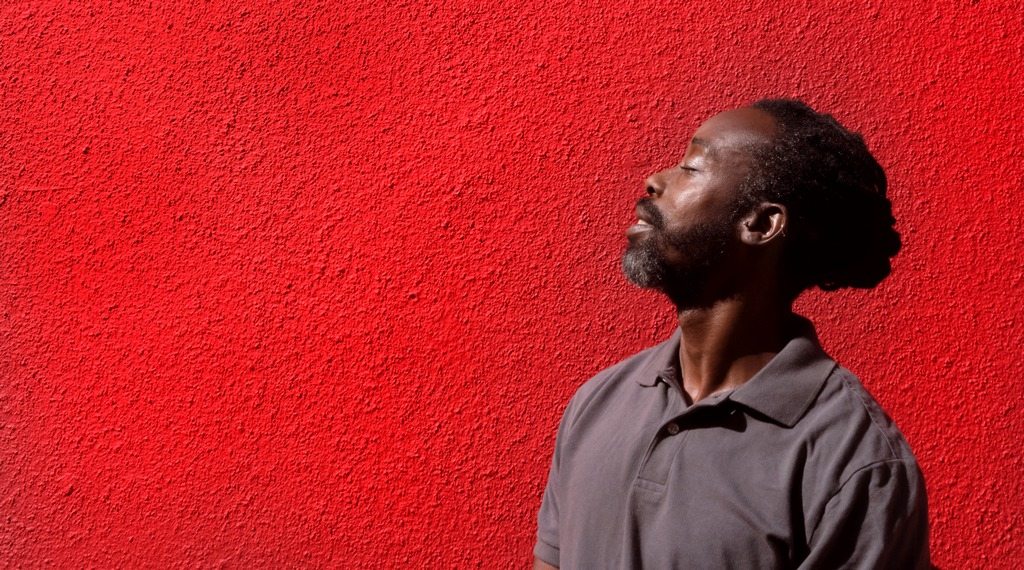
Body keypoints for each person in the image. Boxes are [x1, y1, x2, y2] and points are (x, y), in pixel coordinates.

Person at [533, 99, 930, 569]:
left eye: (691, 166)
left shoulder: (854, 462)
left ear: (761, 224)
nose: (655, 180)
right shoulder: (599, 402)